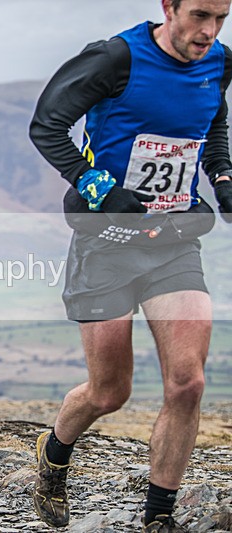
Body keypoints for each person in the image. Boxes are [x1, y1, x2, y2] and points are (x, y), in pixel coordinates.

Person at [29, 0, 232, 530]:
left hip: (174, 240)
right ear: (169, 6)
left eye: (222, 19)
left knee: (187, 383)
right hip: (106, 242)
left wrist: (224, 178)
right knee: (109, 391)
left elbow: (212, 128)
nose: (208, 31)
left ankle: (158, 517)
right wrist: (101, 188)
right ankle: (53, 453)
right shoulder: (114, 58)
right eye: (199, 16)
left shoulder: (219, 63)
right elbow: (47, 126)